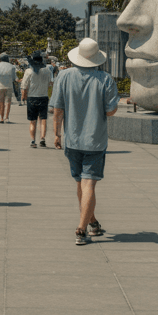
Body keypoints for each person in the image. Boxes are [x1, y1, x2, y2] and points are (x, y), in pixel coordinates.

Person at [51, 39, 119, 245]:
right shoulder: (105, 79)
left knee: (81, 183)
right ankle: (82, 229)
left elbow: (58, 109)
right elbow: (110, 110)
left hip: (72, 139)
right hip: (95, 140)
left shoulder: (63, 76)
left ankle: (92, 222)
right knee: (89, 184)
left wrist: (56, 134)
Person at [20, 52, 54, 148]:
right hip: (43, 97)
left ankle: (33, 141)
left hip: (32, 97)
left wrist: (24, 97)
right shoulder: (47, 71)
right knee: (43, 119)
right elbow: (51, 83)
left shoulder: (28, 71)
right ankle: (42, 139)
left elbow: (24, 86)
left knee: (33, 121)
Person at [0, 53, 18, 123]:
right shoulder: (12, 67)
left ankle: (1, 118)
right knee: (8, 102)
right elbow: (15, 78)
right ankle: (7, 117)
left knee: (0, 102)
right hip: (9, 86)